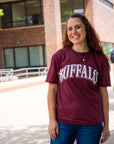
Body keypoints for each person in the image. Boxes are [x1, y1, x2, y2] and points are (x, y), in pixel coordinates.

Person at [46, 13, 111, 144]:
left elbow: (103, 95)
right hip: (63, 123)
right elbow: (52, 91)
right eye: (70, 29)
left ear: (86, 28)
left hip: (91, 124)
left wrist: (107, 125)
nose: (73, 32)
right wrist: (52, 120)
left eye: (78, 27)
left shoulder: (100, 59)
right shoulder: (59, 57)